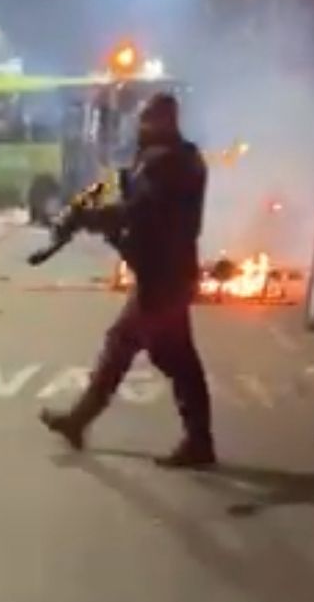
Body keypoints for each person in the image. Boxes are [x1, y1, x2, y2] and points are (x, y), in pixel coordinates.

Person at [39, 92, 216, 468]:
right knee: (136, 348)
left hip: (163, 277)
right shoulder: (176, 158)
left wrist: (94, 218)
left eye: (146, 119)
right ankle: (80, 421)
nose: (140, 126)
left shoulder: (169, 163)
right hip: (165, 273)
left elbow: (141, 211)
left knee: (167, 356)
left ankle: (198, 441)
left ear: (162, 121)